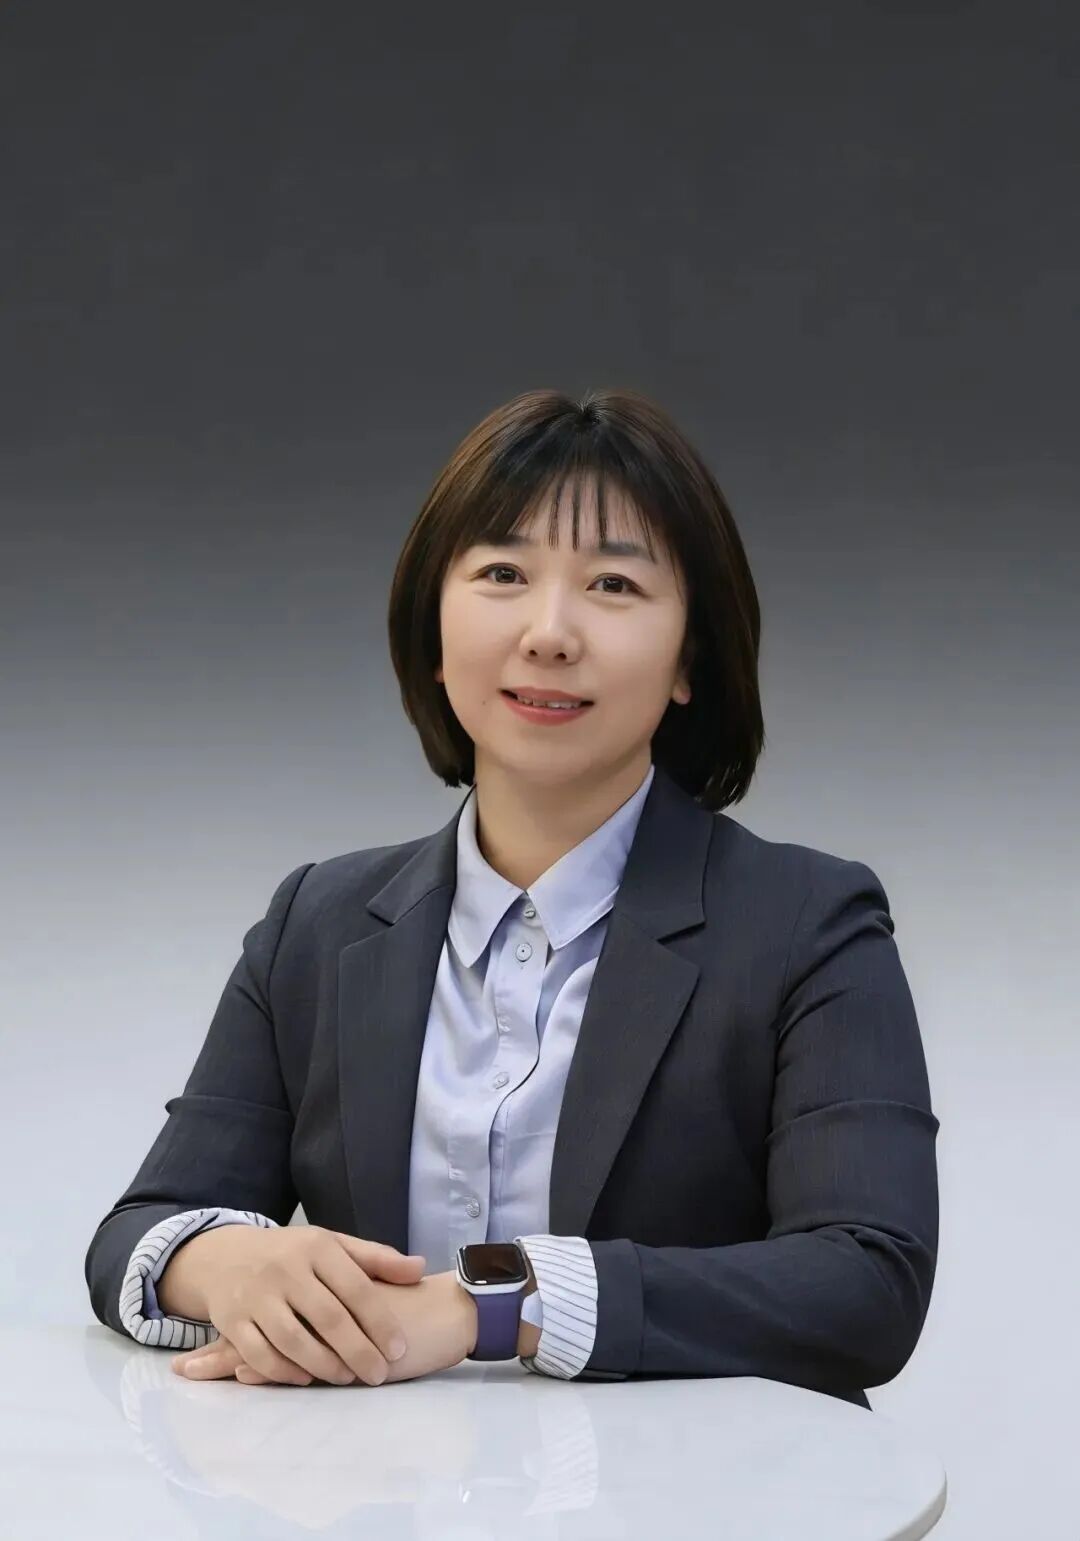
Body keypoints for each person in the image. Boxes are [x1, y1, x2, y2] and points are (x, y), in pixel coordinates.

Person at [84, 387, 939, 1408]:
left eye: (613, 584)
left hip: (693, 1484)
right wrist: (228, 1262)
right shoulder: (317, 921)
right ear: (434, 633)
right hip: (374, 1482)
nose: (549, 631)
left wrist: (489, 1302)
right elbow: (139, 1231)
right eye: (502, 573)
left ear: (689, 658)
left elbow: (866, 1281)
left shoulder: (808, 923)